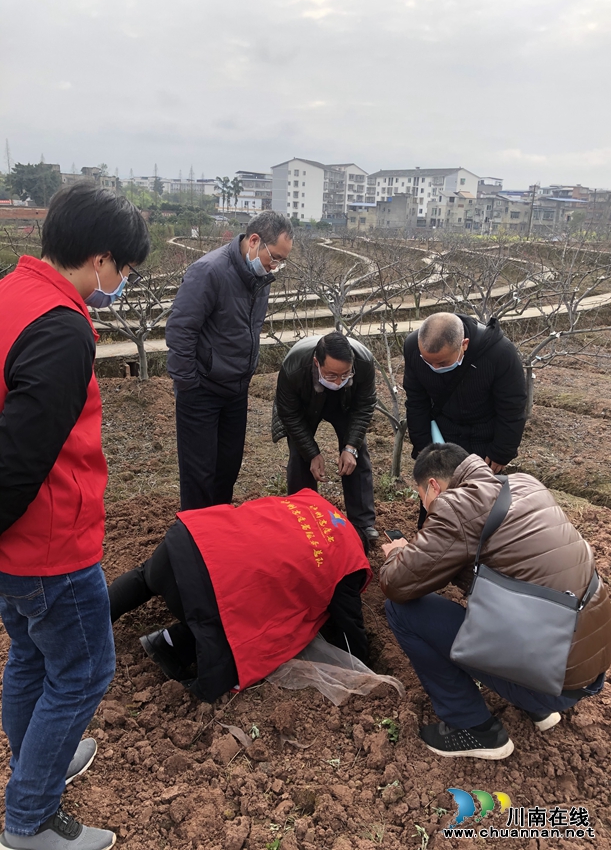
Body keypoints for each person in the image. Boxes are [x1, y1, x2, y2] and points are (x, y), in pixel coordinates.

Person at [0, 183, 150, 849]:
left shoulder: (11, 295)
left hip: (15, 548)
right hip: (49, 545)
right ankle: (29, 819)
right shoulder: (61, 330)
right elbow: (21, 457)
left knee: (31, 658)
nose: (119, 282)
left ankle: (42, 758)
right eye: (122, 270)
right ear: (100, 260)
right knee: (86, 671)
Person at [380, 443, 611, 760]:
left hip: (551, 678)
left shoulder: (456, 508)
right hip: (584, 667)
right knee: (498, 594)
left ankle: (474, 727)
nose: (427, 506)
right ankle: (536, 707)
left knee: (401, 610)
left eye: (423, 497)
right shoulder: (524, 483)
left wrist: (396, 553)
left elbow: (397, 584)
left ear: (433, 486)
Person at [109, 490, 371, 701]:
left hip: (186, 541)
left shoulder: (313, 501)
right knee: (239, 640)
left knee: (145, 576)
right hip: (202, 590)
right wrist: (366, 665)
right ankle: (170, 647)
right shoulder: (348, 562)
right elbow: (349, 625)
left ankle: (88, 621)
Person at [166, 211, 294, 510]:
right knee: (199, 476)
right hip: (201, 391)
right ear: (254, 241)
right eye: (274, 257)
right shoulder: (209, 272)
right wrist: (188, 384)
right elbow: (180, 329)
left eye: (281, 261)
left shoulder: (259, 277)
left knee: (227, 470)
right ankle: (194, 543)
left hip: (235, 391)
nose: (276, 266)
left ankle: (218, 538)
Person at [403, 312, 527, 525]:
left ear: (464, 344)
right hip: (443, 434)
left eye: (442, 363)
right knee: (436, 500)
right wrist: (424, 448)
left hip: (484, 437)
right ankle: (431, 545)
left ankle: (477, 553)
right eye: (428, 362)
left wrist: (501, 451)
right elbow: (416, 402)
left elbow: (512, 407)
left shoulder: (500, 353)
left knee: (480, 505)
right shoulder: (413, 347)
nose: (435, 369)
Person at [272, 332, 378, 542]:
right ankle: (304, 519)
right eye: (331, 375)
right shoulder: (294, 367)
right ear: (316, 363)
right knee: (300, 456)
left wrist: (350, 448)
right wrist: (312, 453)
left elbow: (364, 406)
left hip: (346, 405)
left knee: (357, 454)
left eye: (345, 374)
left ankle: (363, 523)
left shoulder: (364, 361)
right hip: (304, 405)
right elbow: (289, 414)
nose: (338, 381)